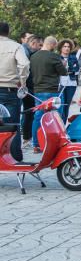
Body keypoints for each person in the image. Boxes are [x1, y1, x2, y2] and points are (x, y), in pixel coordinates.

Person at [28, 37, 66, 152]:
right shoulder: (54, 56)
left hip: (38, 90)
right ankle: (57, 143)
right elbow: (63, 72)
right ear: (52, 45)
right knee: (56, 117)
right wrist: (63, 64)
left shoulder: (33, 56)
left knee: (38, 117)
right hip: (53, 91)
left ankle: (36, 144)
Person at [0, 22, 30, 163]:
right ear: (9, 31)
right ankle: (14, 157)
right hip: (9, 90)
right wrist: (22, 81)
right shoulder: (15, 46)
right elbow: (24, 64)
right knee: (12, 125)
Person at [19, 33, 41, 145]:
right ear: (33, 43)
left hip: (24, 86)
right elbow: (24, 68)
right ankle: (27, 138)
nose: (40, 48)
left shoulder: (27, 51)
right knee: (29, 111)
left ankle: (26, 137)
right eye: (39, 45)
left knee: (28, 111)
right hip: (24, 87)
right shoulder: (24, 52)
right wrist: (23, 84)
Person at [57, 39, 79, 121]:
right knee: (60, 105)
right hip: (60, 84)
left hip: (71, 84)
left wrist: (69, 70)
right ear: (61, 48)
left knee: (67, 105)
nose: (67, 48)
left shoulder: (73, 57)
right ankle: (59, 124)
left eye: (68, 47)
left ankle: (63, 125)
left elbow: (77, 70)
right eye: (64, 46)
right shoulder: (57, 58)